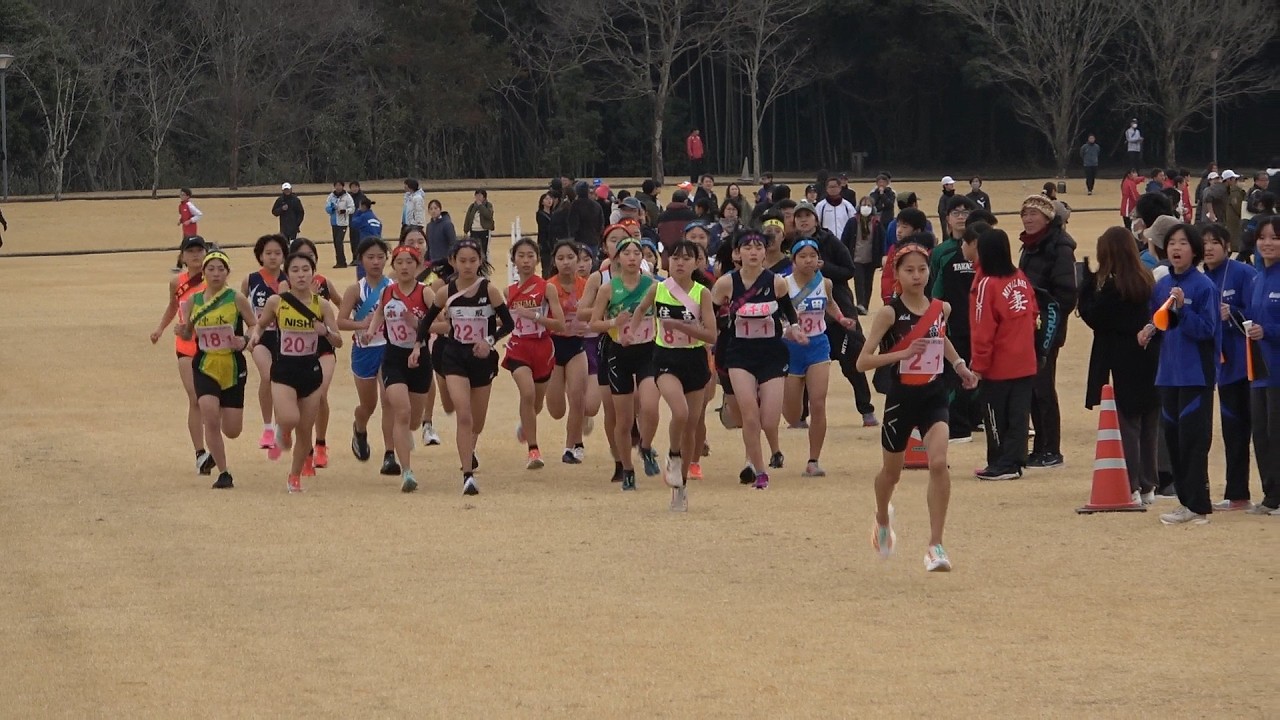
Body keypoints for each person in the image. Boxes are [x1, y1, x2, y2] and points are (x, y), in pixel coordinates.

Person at [856, 242, 979, 572]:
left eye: (922, 269)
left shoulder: (942, 308)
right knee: (891, 473)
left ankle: (935, 545)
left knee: (939, 463)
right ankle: (882, 517)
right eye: (909, 270)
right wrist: (901, 354)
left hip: (934, 395)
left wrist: (959, 365)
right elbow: (862, 361)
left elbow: (941, 339)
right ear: (896, 274)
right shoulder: (889, 313)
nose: (917, 276)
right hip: (901, 398)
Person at [415, 239, 514, 495]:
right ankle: (467, 475)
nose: (468, 265)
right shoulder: (444, 292)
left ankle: (470, 449)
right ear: (453, 262)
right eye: (462, 260)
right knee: (464, 414)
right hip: (455, 355)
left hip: (481, 358)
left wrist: (489, 341)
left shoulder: (489, 290)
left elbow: (509, 324)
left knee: (477, 423)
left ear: (480, 260)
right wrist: (417, 346)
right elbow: (425, 324)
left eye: (473, 260)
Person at [711, 229, 806, 490]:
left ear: (766, 252)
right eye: (747, 247)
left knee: (769, 419)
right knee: (750, 414)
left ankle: (768, 453)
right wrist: (715, 331)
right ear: (737, 253)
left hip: (772, 355)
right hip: (739, 354)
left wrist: (795, 330)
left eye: (758, 247)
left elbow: (789, 313)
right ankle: (759, 470)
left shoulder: (776, 282)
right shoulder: (726, 284)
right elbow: (709, 314)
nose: (753, 252)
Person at [1137, 224, 1220, 524]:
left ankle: (1199, 505)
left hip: (1196, 375)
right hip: (1168, 374)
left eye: (1183, 243)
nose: (1176, 249)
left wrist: (1184, 308)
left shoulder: (1203, 286)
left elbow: (1208, 330)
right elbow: (1160, 322)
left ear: (1195, 250)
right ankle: (1186, 502)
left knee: (1193, 442)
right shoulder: (1161, 286)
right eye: (1172, 243)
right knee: (1173, 441)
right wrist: (1149, 329)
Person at [626, 239, 717, 509]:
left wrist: (682, 325)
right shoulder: (658, 288)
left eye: (687, 258)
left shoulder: (703, 294)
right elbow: (641, 310)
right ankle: (673, 456)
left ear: (697, 263)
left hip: (695, 360)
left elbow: (711, 334)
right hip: (665, 359)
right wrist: (631, 331)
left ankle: (681, 487)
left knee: (691, 425)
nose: (679, 263)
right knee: (680, 412)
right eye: (675, 257)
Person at [248, 251, 343, 493]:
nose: (301, 275)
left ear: (313, 273)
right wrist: (256, 336)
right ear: (287, 274)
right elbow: (261, 324)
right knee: (290, 418)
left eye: (305, 270)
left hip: (310, 370)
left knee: (305, 430)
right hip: (284, 369)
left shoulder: (321, 305)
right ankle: (283, 431)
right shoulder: (277, 302)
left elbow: (339, 340)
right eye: (295, 270)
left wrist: (326, 333)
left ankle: (294, 475)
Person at [1079, 227, 1160, 502]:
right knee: (1150, 423)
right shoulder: (1145, 279)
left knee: (1128, 424)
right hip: (1149, 353)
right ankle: (1149, 484)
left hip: (1122, 357)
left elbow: (1093, 316)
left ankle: (1132, 483)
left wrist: (1087, 286)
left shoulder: (1114, 286)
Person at [177, 250, 257, 489]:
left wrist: (244, 340)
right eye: (210, 269)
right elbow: (188, 330)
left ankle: (217, 444)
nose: (215, 274)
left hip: (232, 365)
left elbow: (253, 324)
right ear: (203, 273)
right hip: (205, 364)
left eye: (220, 269)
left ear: (227, 273)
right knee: (209, 415)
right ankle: (223, 472)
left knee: (232, 430)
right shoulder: (194, 301)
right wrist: (182, 332)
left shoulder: (236, 298)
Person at [781, 239, 858, 476]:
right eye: (802, 256)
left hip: (818, 344)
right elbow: (777, 315)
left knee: (818, 403)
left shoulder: (825, 283)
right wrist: (788, 330)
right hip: (790, 347)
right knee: (793, 416)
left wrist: (841, 318)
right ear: (793, 260)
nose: (808, 260)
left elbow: (830, 305)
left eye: (812, 255)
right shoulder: (782, 285)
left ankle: (813, 460)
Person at [590, 238, 662, 490]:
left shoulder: (653, 286)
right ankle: (627, 469)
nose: (632, 257)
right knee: (623, 418)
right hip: (618, 353)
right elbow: (593, 324)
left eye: (637, 253)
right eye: (627, 253)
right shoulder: (608, 289)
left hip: (648, 352)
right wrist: (614, 323)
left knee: (651, 407)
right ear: (617, 259)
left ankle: (645, 446)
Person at [968, 226, 1039, 480]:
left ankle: (1000, 462)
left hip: (998, 364)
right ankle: (1015, 460)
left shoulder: (987, 284)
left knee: (995, 415)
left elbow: (982, 329)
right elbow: (1033, 313)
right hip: (1025, 359)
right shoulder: (1020, 277)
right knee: (1019, 414)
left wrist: (978, 365)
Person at [1017, 194, 1078, 469]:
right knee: (1031, 388)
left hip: (1047, 327)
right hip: (1026, 326)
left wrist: (1043, 311)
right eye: (1025, 214)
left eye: (1034, 214)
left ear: (1047, 217)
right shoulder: (1029, 246)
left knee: (1043, 387)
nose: (1028, 219)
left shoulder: (1060, 247)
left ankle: (1052, 448)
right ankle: (1039, 445)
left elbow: (1066, 293)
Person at [1200, 224, 1258, 510]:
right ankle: (1237, 495)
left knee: (1263, 432)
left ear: (1227, 245)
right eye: (1204, 243)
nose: (1208, 248)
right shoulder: (1201, 278)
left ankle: (1273, 493)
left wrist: (1233, 312)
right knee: (1233, 432)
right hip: (1223, 370)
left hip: (1252, 367)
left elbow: (1260, 313)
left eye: (1214, 242)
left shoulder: (1245, 273)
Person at [150, 235, 211, 474]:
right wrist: (160, 329)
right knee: (195, 397)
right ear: (183, 256)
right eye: (190, 251)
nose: (195, 255)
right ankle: (200, 453)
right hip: (186, 345)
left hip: (211, 345)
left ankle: (214, 444)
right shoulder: (178, 282)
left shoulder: (214, 278)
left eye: (199, 250)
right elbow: (173, 306)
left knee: (211, 400)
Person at [336, 238, 398, 472]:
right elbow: (340, 321)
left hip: (390, 348)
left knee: (389, 400)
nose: (375, 262)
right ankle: (359, 428)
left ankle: (389, 454)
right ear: (361, 260)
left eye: (380, 257)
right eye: (370, 257)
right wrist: (362, 324)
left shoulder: (394, 286)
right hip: (364, 351)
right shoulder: (356, 289)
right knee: (368, 405)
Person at [504, 238, 566, 470]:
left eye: (530, 255)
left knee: (536, 402)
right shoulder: (507, 291)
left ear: (538, 260)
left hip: (542, 348)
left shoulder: (547, 288)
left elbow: (559, 324)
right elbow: (503, 321)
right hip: (518, 347)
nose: (526, 260)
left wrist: (535, 316)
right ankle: (533, 449)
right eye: (521, 256)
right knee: (527, 393)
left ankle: (526, 423)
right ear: (514, 261)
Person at [288, 238, 342, 473]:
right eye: (299, 257)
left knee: (319, 394)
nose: (304, 265)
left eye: (310, 256)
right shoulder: (285, 291)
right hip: (296, 352)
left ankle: (320, 444)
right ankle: (305, 448)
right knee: (302, 401)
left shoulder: (323, 284)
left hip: (323, 348)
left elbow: (343, 304)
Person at [930, 196, 980, 443]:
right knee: (956, 373)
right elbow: (934, 289)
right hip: (954, 325)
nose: (961, 216)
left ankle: (976, 417)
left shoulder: (984, 246)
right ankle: (956, 422)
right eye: (956, 212)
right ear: (947, 218)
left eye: (966, 212)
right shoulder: (942, 252)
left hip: (980, 323)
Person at [1244, 216, 1280, 515]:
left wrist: (1268, 331)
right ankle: (1270, 495)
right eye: (1263, 237)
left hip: (1279, 370)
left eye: (1274, 237)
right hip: (1259, 370)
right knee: (1262, 433)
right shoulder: (1257, 279)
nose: (1267, 243)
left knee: (1277, 433)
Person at [242, 234, 290, 454]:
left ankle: (281, 425)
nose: (272, 257)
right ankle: (267, 427)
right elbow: (239, 309)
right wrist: (246, 334)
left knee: (282, 381)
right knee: (267, 376)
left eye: (277, 253)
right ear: (260, 255)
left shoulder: (289, 279)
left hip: (285, 339)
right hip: (260, 337)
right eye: (268, 253)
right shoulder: (251, 280)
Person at [546, 240, 591, 464]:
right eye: (561, 258)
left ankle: (572, 445)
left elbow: (600, 312)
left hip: (577, 346)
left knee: (577, 397)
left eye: (571, 257)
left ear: (578, 259)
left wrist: (589, 326)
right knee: (556, 410)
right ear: (554, 261)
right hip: (553, 346)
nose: (566, 263)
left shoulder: (588, 286)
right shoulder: (548, 287)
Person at [841, 196, 881, 313]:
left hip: (870, 258)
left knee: (868, 282)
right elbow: (845, 239)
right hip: (856, 257)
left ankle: (865, 305)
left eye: (868, 205)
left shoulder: (877, 223)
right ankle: (860, 304)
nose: (866, 208)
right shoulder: (852, 222)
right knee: (859, 281)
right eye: (864, 205)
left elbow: (880, 240)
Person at [568, 181, 605, 260]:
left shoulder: (575, 205)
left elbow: (573, 225)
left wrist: (572, 239)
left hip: (579, 242)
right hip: (594, 241)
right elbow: (601, 224)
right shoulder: (596, 205)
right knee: (592, 263)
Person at [323, 181, 355, 269]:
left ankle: (342, 262)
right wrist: (331, 209)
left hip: (343, 223)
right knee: (336, 243)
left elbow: (352, 208)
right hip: (334, 222)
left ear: (343, 186)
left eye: (340, 185)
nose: (338, 187)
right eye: (336, 185)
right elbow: (327, 207)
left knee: (339, 241)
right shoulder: (331, 196)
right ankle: (339, 261)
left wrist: (345, 211)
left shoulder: (347, 196)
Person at [816, 176, 857, 242]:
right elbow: (816, 224)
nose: (833, 189)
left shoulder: (847, 206)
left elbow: (854, 223)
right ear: (826, 189)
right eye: (830, 187)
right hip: (826, 242)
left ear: (840, 188)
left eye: (835, 186)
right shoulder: (820, 206)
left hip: (844, 242)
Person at [350, 199, 383, 279]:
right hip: (377, 245)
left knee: (362, 269)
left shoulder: (363, 217)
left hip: (366, 245)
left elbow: (353, 223)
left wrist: (358, 212)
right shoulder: (376, 219)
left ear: (363, 206)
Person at [536, 192, 557, 277]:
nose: (549, 201)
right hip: (544, 244)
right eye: (546, 199)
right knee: (546, 266)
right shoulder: (540, 214)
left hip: (553, 243)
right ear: (542, 202)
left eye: (550, 199)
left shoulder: (554, 214)